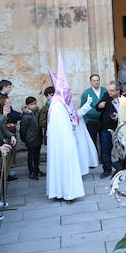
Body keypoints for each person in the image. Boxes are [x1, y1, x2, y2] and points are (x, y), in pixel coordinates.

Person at [45, 53, 89, 201]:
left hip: (65, 143)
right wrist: (71, 143)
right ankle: (68, 193)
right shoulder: (57, 106)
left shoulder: (60, 103)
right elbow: (64, 130)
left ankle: (64, 192)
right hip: (64, 146)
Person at [19, 97, 43, 180]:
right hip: (30, 139)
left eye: (35, 103)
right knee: (31, 156)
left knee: (37, 155)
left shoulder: (37, 112)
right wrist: (24, 138)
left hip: (38, 137)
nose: (34, 106)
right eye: (32, 104)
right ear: (27, 105)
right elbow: (23, 129)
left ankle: (37, 169)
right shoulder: (26, 116)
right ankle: (31, 171)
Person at [80, 74, 105, 157]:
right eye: (94, 81)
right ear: (91, 82)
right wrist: (87, 118)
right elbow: (82, 106)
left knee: (104, 140)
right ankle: (94, 158)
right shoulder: (86, 93)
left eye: (97, 80)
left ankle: (103, 158)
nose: (96, 82)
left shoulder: (105, 91)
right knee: (92, 141)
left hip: (103, 120)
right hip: (92, 121)